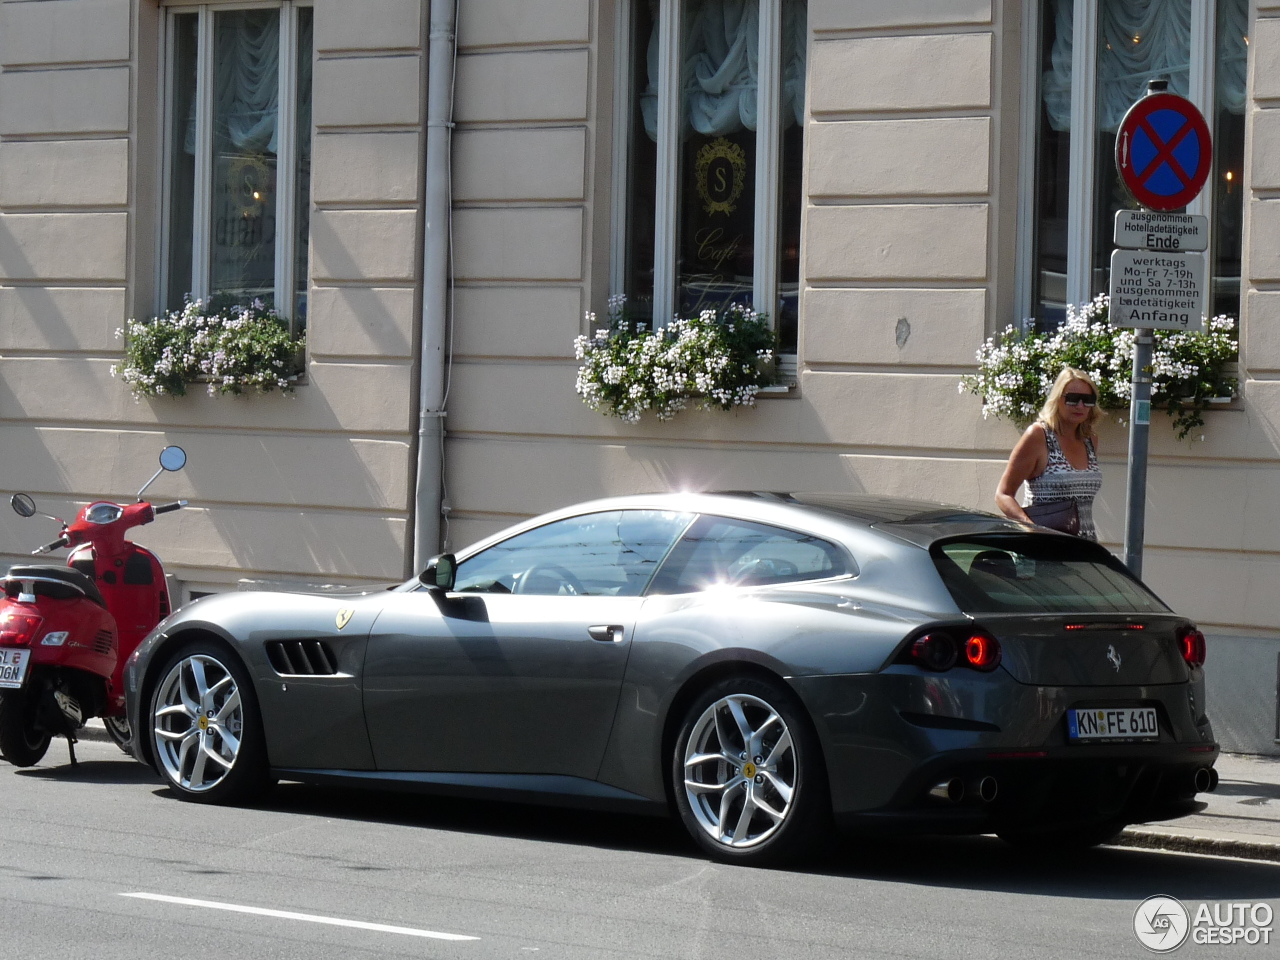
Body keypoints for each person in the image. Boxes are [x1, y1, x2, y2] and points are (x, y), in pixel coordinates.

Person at [995, 367, 1102, 541]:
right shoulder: (1038, 436)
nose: (1080, 406)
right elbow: (1003, 494)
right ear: (1057, 399)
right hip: (1043, 548)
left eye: (1087, 400)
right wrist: (1031, 530)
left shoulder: (1089, 440)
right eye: (1073, 399)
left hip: (1084, 548)